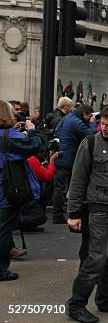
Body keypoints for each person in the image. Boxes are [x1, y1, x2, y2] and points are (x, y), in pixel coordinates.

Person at [65, 105, 108, 322]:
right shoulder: (90, 143)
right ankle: (76, 305)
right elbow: (77, 180)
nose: (104, 128)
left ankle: (105, 299)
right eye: (102, 123)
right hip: (98, 211)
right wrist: (73, 213)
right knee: (96, 259)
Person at [0, 100, 46, 281]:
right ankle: (1, 269)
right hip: (7, 190)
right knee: (4, 231)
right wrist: (33, 130)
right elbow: (36, 145)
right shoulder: (9, 137)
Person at [52, 105, 97, 224]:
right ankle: (59, 215)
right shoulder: (76, 121)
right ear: (85, 114)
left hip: (62, 154)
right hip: (68, 156)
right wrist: (92, 123)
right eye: (89, 116)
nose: (90, 118)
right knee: (65, 188)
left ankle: (58, 214)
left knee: (60, 187)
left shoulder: (68, 117)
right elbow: (90, 135)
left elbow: (56, 130)